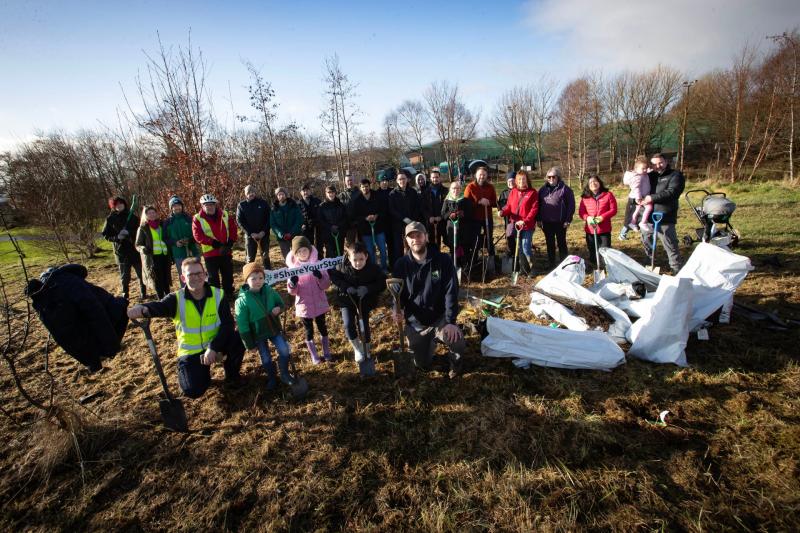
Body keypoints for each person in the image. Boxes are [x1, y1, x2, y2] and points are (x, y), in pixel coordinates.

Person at [127, 257, 245, 399]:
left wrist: (213, 347)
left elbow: (227, 325)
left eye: (199, 273)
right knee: (193, 390)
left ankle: (232, 375)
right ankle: (201, 374)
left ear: (205, 274)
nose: (196, 277)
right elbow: (159, 306)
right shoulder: (176, 299)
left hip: (216, 345)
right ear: (183, 278)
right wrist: (142, 308)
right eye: (191, 275)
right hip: (191, 352)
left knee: (238, 338)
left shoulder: (218, 294)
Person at [391, 221, 465, 379]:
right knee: (421, 363)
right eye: (411, 236)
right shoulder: (401, 265)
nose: (415, 239)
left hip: (440, 319)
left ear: (426, 237)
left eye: (419, 235)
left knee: (456, 338)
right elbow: (398, 295)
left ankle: (455, 364)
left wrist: (451, 321)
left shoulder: (443, 260)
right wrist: (396, 310)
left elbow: (451, 291)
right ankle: (428, 344)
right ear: (406, 240)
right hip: (416, 322)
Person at [235, 262, 295, 391]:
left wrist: (278, 308)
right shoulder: (242, 301)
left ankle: (284, 373)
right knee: (266, 358)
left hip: (273, 328)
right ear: (246, 280)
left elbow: (281, 303)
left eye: (261, 278)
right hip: (258, 334)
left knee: (284, 350)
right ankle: (272, 377)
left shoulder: (269, 291)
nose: (258, 281)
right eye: (253, 278)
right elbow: (243, 325)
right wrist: (249, 344)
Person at [329, 241, 386, 365]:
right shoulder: (341, 267)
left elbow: (382, 283)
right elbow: (333, 278)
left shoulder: (373, 269)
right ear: (349, 258)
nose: (358, 263)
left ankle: (366, 347)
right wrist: (345, 287)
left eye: (361, 259)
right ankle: (357, 348)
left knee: (364, 326)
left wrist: (367, 289)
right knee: (348, 325)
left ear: (366, 256)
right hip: (347, 301)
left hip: (364, 302)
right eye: (355, 260)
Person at [286, 236, 332, 364]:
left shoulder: (318, 264)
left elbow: (326, 285)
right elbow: (292, 292)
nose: (303, 253)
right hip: (304, 305)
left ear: (310, 250)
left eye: (305, 250)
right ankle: (314, 356)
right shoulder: (293, 269)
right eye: (299, 251)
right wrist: (293, 284)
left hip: (319, 301)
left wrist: (320, 277)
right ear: (295, 254)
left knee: (323, 327)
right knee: (309, 331)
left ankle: (326, 352)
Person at [639, 153, 685, 271]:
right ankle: (649, 266)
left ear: (666, 162)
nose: (658, 166)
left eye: (660, 163)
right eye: (654, 164)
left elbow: (672, 192)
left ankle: (676, 269)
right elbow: (637, 185)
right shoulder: (649, 176)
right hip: (648, 217)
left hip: (665, 217)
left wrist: (651, 198)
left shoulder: (675, 175)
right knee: (647, 243)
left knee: (670, 245)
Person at [191, 194, 237, 300]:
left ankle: (229, 293)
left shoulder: (224, 214)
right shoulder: (197, 218)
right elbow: (197, 235)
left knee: (228, 274)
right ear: (202, 206)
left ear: (215, 205)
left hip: (225, 250)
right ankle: (216, 296)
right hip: (210, 253)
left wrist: (230, 242)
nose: (209, 207)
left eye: (211, 205)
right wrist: (213, 243)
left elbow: (233, 228)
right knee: (213, 277)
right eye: (206, 205)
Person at [101, 196, 146, 300]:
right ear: (113, 206)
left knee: (140, 274)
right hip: (121, 252)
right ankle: (125, 293)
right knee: (125, 277)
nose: (119, 206)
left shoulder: (132, 217)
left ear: (124, 204)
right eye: (116, 204)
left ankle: (143, 292)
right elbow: (105, 235)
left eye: (121, 203)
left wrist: (129, 233)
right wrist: (117, 237)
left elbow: (140, 231)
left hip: (134, 250)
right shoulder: (110, 219)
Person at [499, 170, 539, 276]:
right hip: (516, 225)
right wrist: (503, 211)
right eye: (519, 179)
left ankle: (533, 268)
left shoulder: (532, 193)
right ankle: (524, 269)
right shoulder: (513, 192)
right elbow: (509, 206)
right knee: (520, 248)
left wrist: (525, 221)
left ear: (527, 180)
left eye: (523, 179)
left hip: (527, 225)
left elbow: (534, 210)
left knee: (526, 247)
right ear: (516, 180)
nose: (521, 181)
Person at [536, 167, 575, 269]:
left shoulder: (565, 189)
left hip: (560, 222)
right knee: (550, 243)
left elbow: (571, 206)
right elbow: (538, 205)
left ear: (558, 177)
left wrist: (568, 220)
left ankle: (564, 264)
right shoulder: (542, 190)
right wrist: (538, 219)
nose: (551, 179)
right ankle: (551, 264)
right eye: (549, 177)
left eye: (554, 177)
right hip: (547, 222)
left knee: (562, 243)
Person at [578, 175, 618, 268]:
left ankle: (606, 267)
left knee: (605, 250)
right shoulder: (585, 198)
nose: (593, 184)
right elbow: (581, 212)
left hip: (604, 229)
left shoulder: (608, 195)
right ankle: (595, 266)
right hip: (590, 229)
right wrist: (587, 218)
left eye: (595, 181)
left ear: (599, 183)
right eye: (590, 182)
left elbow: (613, 210)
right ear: (588, 185)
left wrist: (602, 217)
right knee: (592, 250)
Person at [350, 178, 389, 271]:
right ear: (360, 188)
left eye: (366, 186)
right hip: (366, 231)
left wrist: (376, 216)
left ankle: (384, 268)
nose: (365, 189)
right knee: (370, 252)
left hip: (378, 228)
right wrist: (365, 218)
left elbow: (383, 210)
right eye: (363, 187)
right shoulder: (357, 200)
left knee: (383, 250)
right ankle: (374, 269)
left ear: (369, 186)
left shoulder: (377, 196)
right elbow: (355, 216)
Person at [464, 163, 498, 268]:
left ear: (487, 176)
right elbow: (465, 204)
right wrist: (478, 202)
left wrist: (489, 202)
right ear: (476, 175)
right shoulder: (470, 187)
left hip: (487, 218)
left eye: (484, 175)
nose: (482, 177)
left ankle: (491, 260)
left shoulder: (490, 187)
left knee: (489, 238)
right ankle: (474, 260)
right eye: (480, 174)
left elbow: (494, 202)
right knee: (475, 239)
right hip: (474, 219)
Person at [136, 205, 172, 300]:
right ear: (146, 215)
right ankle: (161, 300)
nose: (152, 214)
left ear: (156, 214)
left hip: (164, 256)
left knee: (166, 279)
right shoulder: (143, 228)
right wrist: (143, 249)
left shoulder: (162, 225)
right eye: (149, 213)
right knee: (157, 281)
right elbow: (138, 245)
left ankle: (169, 298)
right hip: (152, 258)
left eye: (153, 212)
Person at [388, 169, 423, 264]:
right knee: (398, 248)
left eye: (403, 179)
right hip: (398, 225)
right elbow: (392, 210)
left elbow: (417, 207)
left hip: (411, 224)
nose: (402, 181)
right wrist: (403, 218)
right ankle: (399, 266)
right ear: (397, 181)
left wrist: (412, 220)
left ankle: (412, 263)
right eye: (400, 179)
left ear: (407, 179)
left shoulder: (413, 192)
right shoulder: (392, 194)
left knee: (411, 245)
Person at [164, 195, 200, 283]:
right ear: (171, 208)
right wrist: (175, 243)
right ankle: (186, 293)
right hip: (178, 254)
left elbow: (197, 234)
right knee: (184, 275)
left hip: (193, 251)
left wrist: (190, 240)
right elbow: (165, 238)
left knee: (198, 273)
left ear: (182, 206)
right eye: (174, 206)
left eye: (179, 205)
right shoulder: (167, 222)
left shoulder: (190, 219)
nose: (177, 207)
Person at [236, 185, 271, 269]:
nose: (251, 194)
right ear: (245, 194)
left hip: (264, 235)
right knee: (250, 258)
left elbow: (270, 218)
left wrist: (263, 231)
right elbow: (240, 221)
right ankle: (249, 276)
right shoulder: (241, 205)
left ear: (255, 192)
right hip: (250, 236)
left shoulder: (263, 203)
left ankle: (269, 274)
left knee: (265, 256)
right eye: (248, 192)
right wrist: (250, 233)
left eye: (252, 192)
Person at [441, 181, 475, 269]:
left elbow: (471, 214)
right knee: (453, 247)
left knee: (464, 247)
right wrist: (450, 214)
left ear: (460, 189)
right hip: (452, 229)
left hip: (464, 229)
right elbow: (443, 215)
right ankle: (455, 266)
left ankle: (465, 266)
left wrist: (464, 214)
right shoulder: (447, 201)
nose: (455, 190)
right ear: (450, 190)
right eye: (453, 188)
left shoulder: (466, 200)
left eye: (457, 188)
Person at [621, 156, 653, 235]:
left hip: (642, 196)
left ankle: (633, 222)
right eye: (643, 169)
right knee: (649, 207)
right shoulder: (637, 177)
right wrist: (639, 197)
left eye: (646, 168)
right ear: (636, 169)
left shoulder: (642, 174)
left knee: (637, 210)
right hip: (639, 196)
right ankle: (643, 222)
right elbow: (636, 188)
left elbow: (645, 172)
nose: (645, 170)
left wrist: (649, 170)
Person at [270, 187, 303, 259]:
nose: (281, 196)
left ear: (286, 195)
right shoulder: (274, 208)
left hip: (295, 236)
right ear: (277, 196)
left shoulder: (294, 205)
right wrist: (281, 234)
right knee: (287, 258)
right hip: (282, 238)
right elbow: (273, 224)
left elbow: (299, 220)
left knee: (298, 256)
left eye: (282, 194)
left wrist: (291, 233)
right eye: (279, 195)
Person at [317, 185, 349, 258]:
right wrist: (330, 227)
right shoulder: (322, 206)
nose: (331, 194)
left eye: (332, 192)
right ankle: (331, 269)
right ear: (326, 193)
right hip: (328, 234)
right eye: (329, 192)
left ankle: (340, 268)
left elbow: (344, 218)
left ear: (335, 193)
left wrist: (338, 226)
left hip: (339, 233)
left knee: (340, 252)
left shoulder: (340, 205)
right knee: (330, 254)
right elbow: (321, 220)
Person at [422, 168, 446, 250]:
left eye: (437, 177)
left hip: (443, 221)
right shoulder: (426, 192)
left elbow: (449, 206)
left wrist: (441, 216)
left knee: (447, 240)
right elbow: (423, 208)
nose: (435, 179)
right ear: (430, 179)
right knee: (432, 243)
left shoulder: (445, 191)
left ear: (440, 178)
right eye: (433, 177)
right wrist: (429, 217)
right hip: (431, 222)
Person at [497, 173, 516, 258]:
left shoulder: (520, 191)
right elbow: (501, 207)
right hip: (508, 220)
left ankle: (519, 256)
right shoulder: (504, 193)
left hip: (519, 219)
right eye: (509, 181)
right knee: (509, 238)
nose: (511, 182)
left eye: (512, 180)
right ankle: (511, 254)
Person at [339, 172, 361, 244]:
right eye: (347, 181)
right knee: (351, 246)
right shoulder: (342, 195)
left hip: (361, 224)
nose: (349, 182)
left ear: (354, 181)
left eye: (351, 180)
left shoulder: (360, 193)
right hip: (348, 226)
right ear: (345, 182)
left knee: (362, 245)